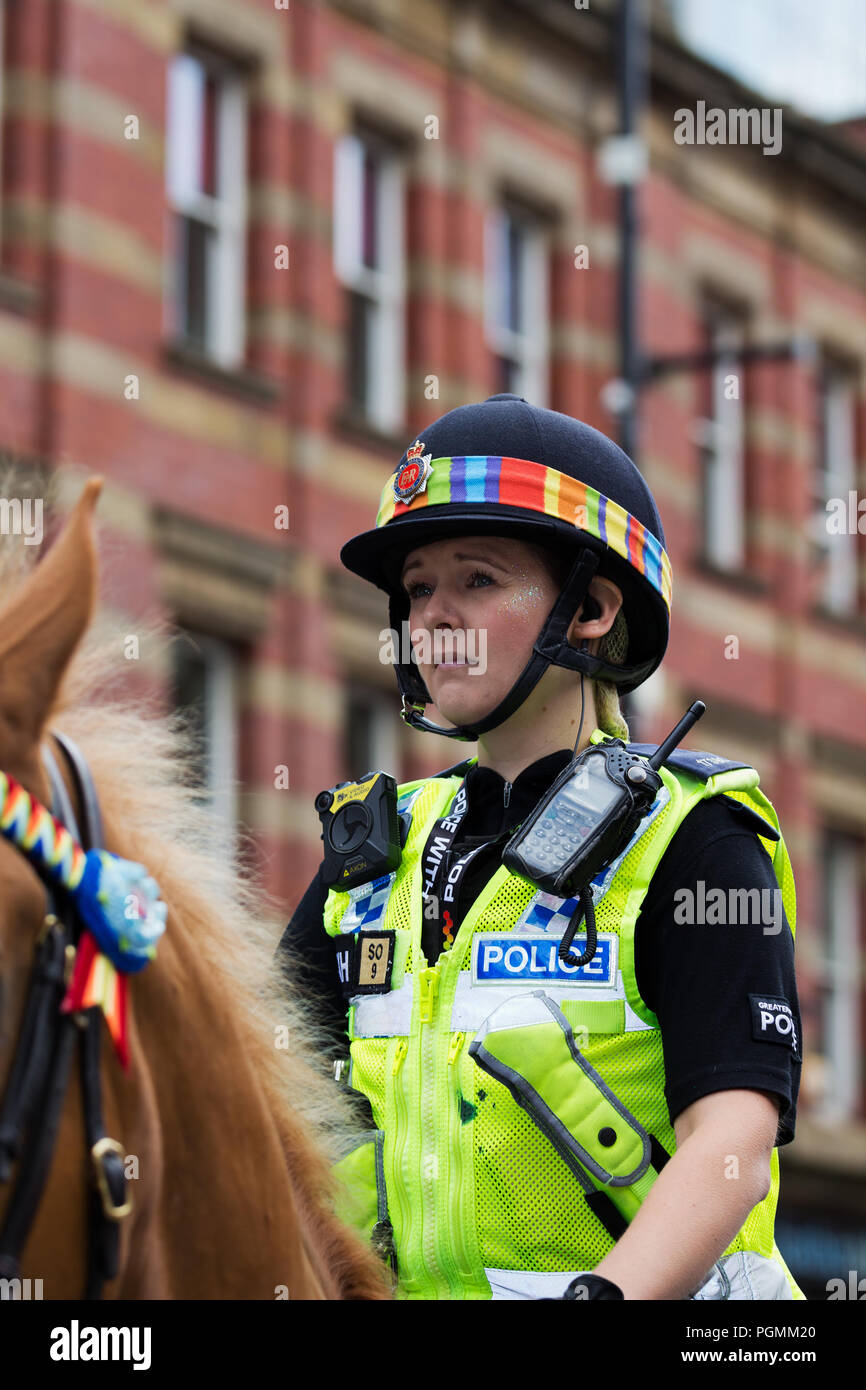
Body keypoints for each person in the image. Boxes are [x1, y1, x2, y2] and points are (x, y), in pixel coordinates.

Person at [278, 393, 804, 1301]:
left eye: (477, 581)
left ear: (593, 609)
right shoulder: (372, 856)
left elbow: (734, 1148)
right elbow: (259, 1104)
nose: (432, 618)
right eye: (416, 590)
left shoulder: (695, 838)